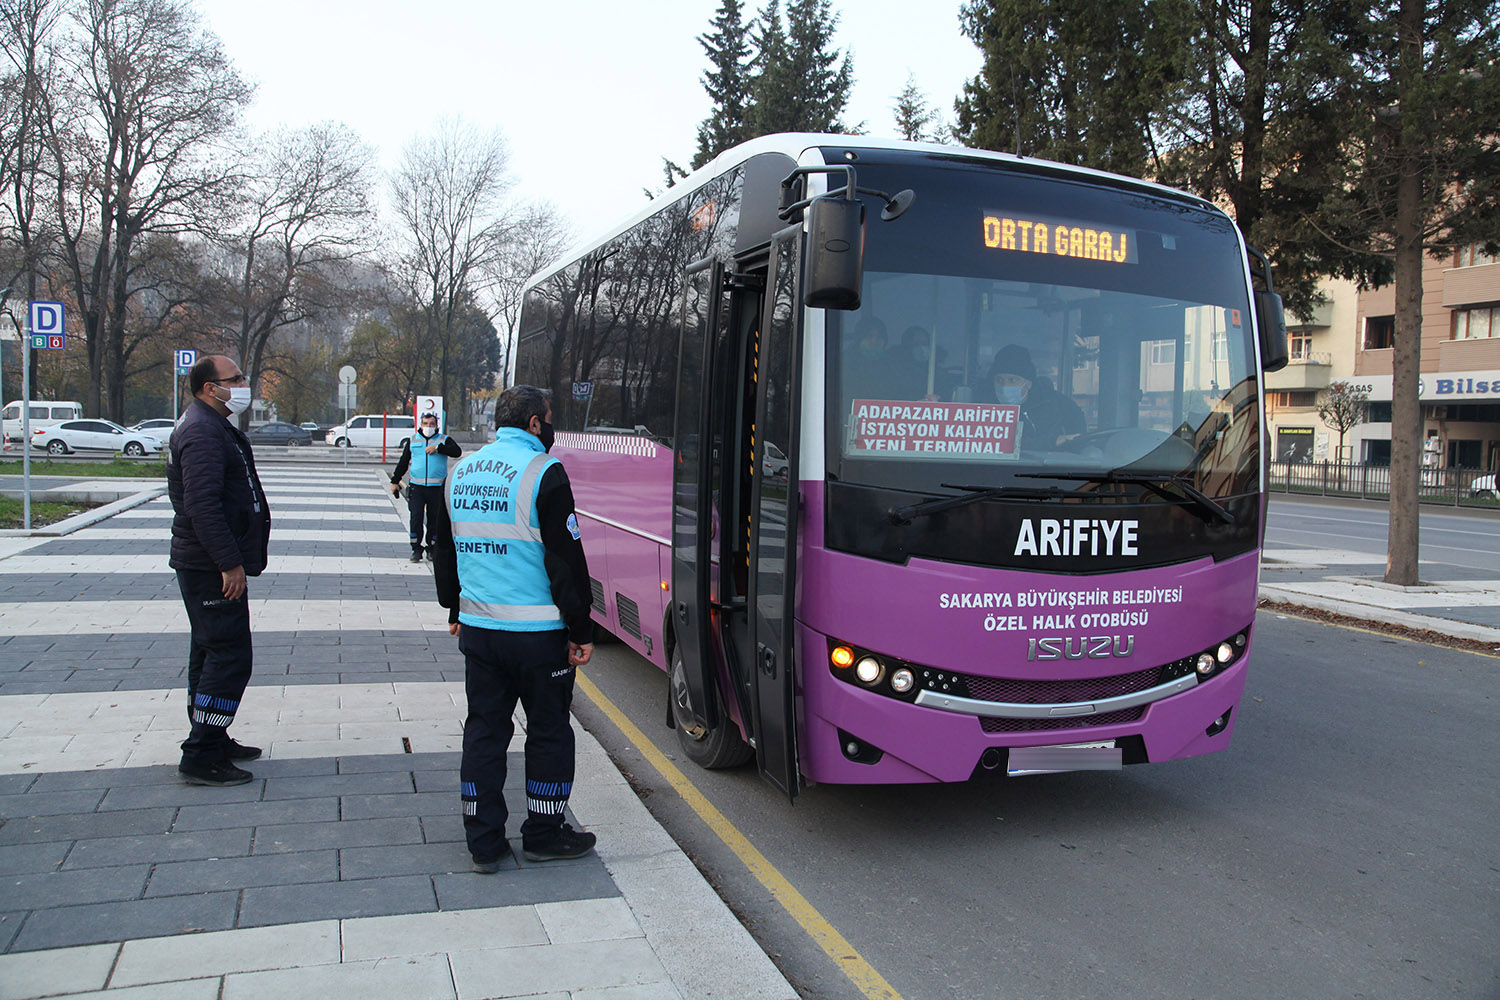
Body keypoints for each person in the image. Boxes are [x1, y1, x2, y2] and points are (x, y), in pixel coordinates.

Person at [430, 385, 597, 873]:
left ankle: (483, 840)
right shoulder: (544, 472)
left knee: (484, 731)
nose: (550, 426)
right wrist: (581, 629)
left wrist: (454, 608)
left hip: (480, 630)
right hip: (539, 637)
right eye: (548, 418)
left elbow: (446, 548)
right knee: (548, 733)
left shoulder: (460, 472)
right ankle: (544, 833)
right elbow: (565, 561)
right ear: (533, 424)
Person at [166, 355, 271, 786]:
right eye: (236, 379)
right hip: (210, 566)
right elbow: (203, 506)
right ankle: (201, 752)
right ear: (211, 387)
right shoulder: (203, 431)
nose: (245, 385)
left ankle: (211, 734)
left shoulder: (211, 424)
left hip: (208, 561)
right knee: (228, 657)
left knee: (210, 653)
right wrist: (229, 563)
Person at [390, 411, 462, 562]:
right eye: (425, 424)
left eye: (432, 424)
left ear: (437, 426)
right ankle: (416, 549)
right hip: (417, 488)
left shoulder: (444, 440)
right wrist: (395, 481)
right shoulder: (413, 440)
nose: (428, 427)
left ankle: (432, 548)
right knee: (416, 518)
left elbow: (457, 452)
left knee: (434, 520)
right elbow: (404, 461)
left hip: (436, 489)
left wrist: (438, 448)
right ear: (420, 425)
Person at [988, 344, 1086, 450]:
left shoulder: (1055, 404)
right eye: (999, 380)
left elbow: (1078, 440)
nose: (1004, 386)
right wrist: (1051, 442)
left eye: (1012, 380)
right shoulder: (982, 407)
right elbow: (996, 444)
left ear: (1028, 384)